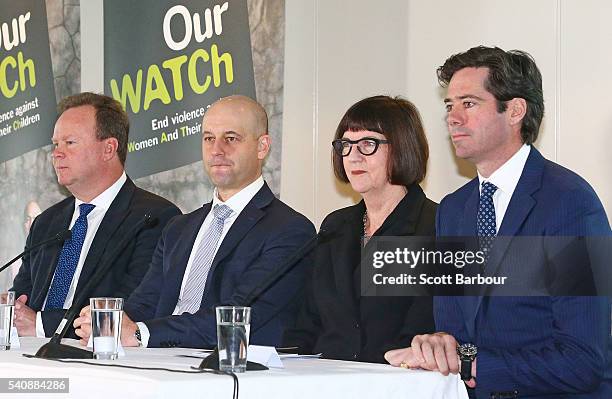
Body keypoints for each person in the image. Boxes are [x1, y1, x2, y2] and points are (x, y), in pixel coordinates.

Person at [385, 46, 611, 398]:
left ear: (515, 111)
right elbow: (455, 332)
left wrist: (470, 365)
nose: (453, 118)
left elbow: (582, 361)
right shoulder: (453, 210)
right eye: (449, 105)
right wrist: (439, 347)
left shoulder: (570, 203)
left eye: (469, 104)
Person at [74, 95, 316, 349]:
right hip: (161, 363)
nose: (217, 149)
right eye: (209, 138)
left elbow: (237, 316)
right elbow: (145, 302)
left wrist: (139, 334)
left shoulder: (289, 230)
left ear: (262, 147)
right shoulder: (179, 228)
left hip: (232, 372)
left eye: (231, 138)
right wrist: (109, 323)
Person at [11, 92, 181, 338]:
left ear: (109, 148)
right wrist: (14, 313)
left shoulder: (154, 218)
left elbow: (131, 307)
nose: (57, 154)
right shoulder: (47, 223)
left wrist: (40, 324)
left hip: (99, 360)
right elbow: (21, 299)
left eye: (70, 143)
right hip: (32, 356)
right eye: (55, 144)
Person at [282, 95, 436, 363]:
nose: (352, 157)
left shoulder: (435, 225)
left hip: (398, 383)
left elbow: (424, 326)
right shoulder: (335, 226)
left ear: (402, 147)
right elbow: (308, 325)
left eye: (368, 144)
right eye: (345, 145)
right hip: (328, 381)